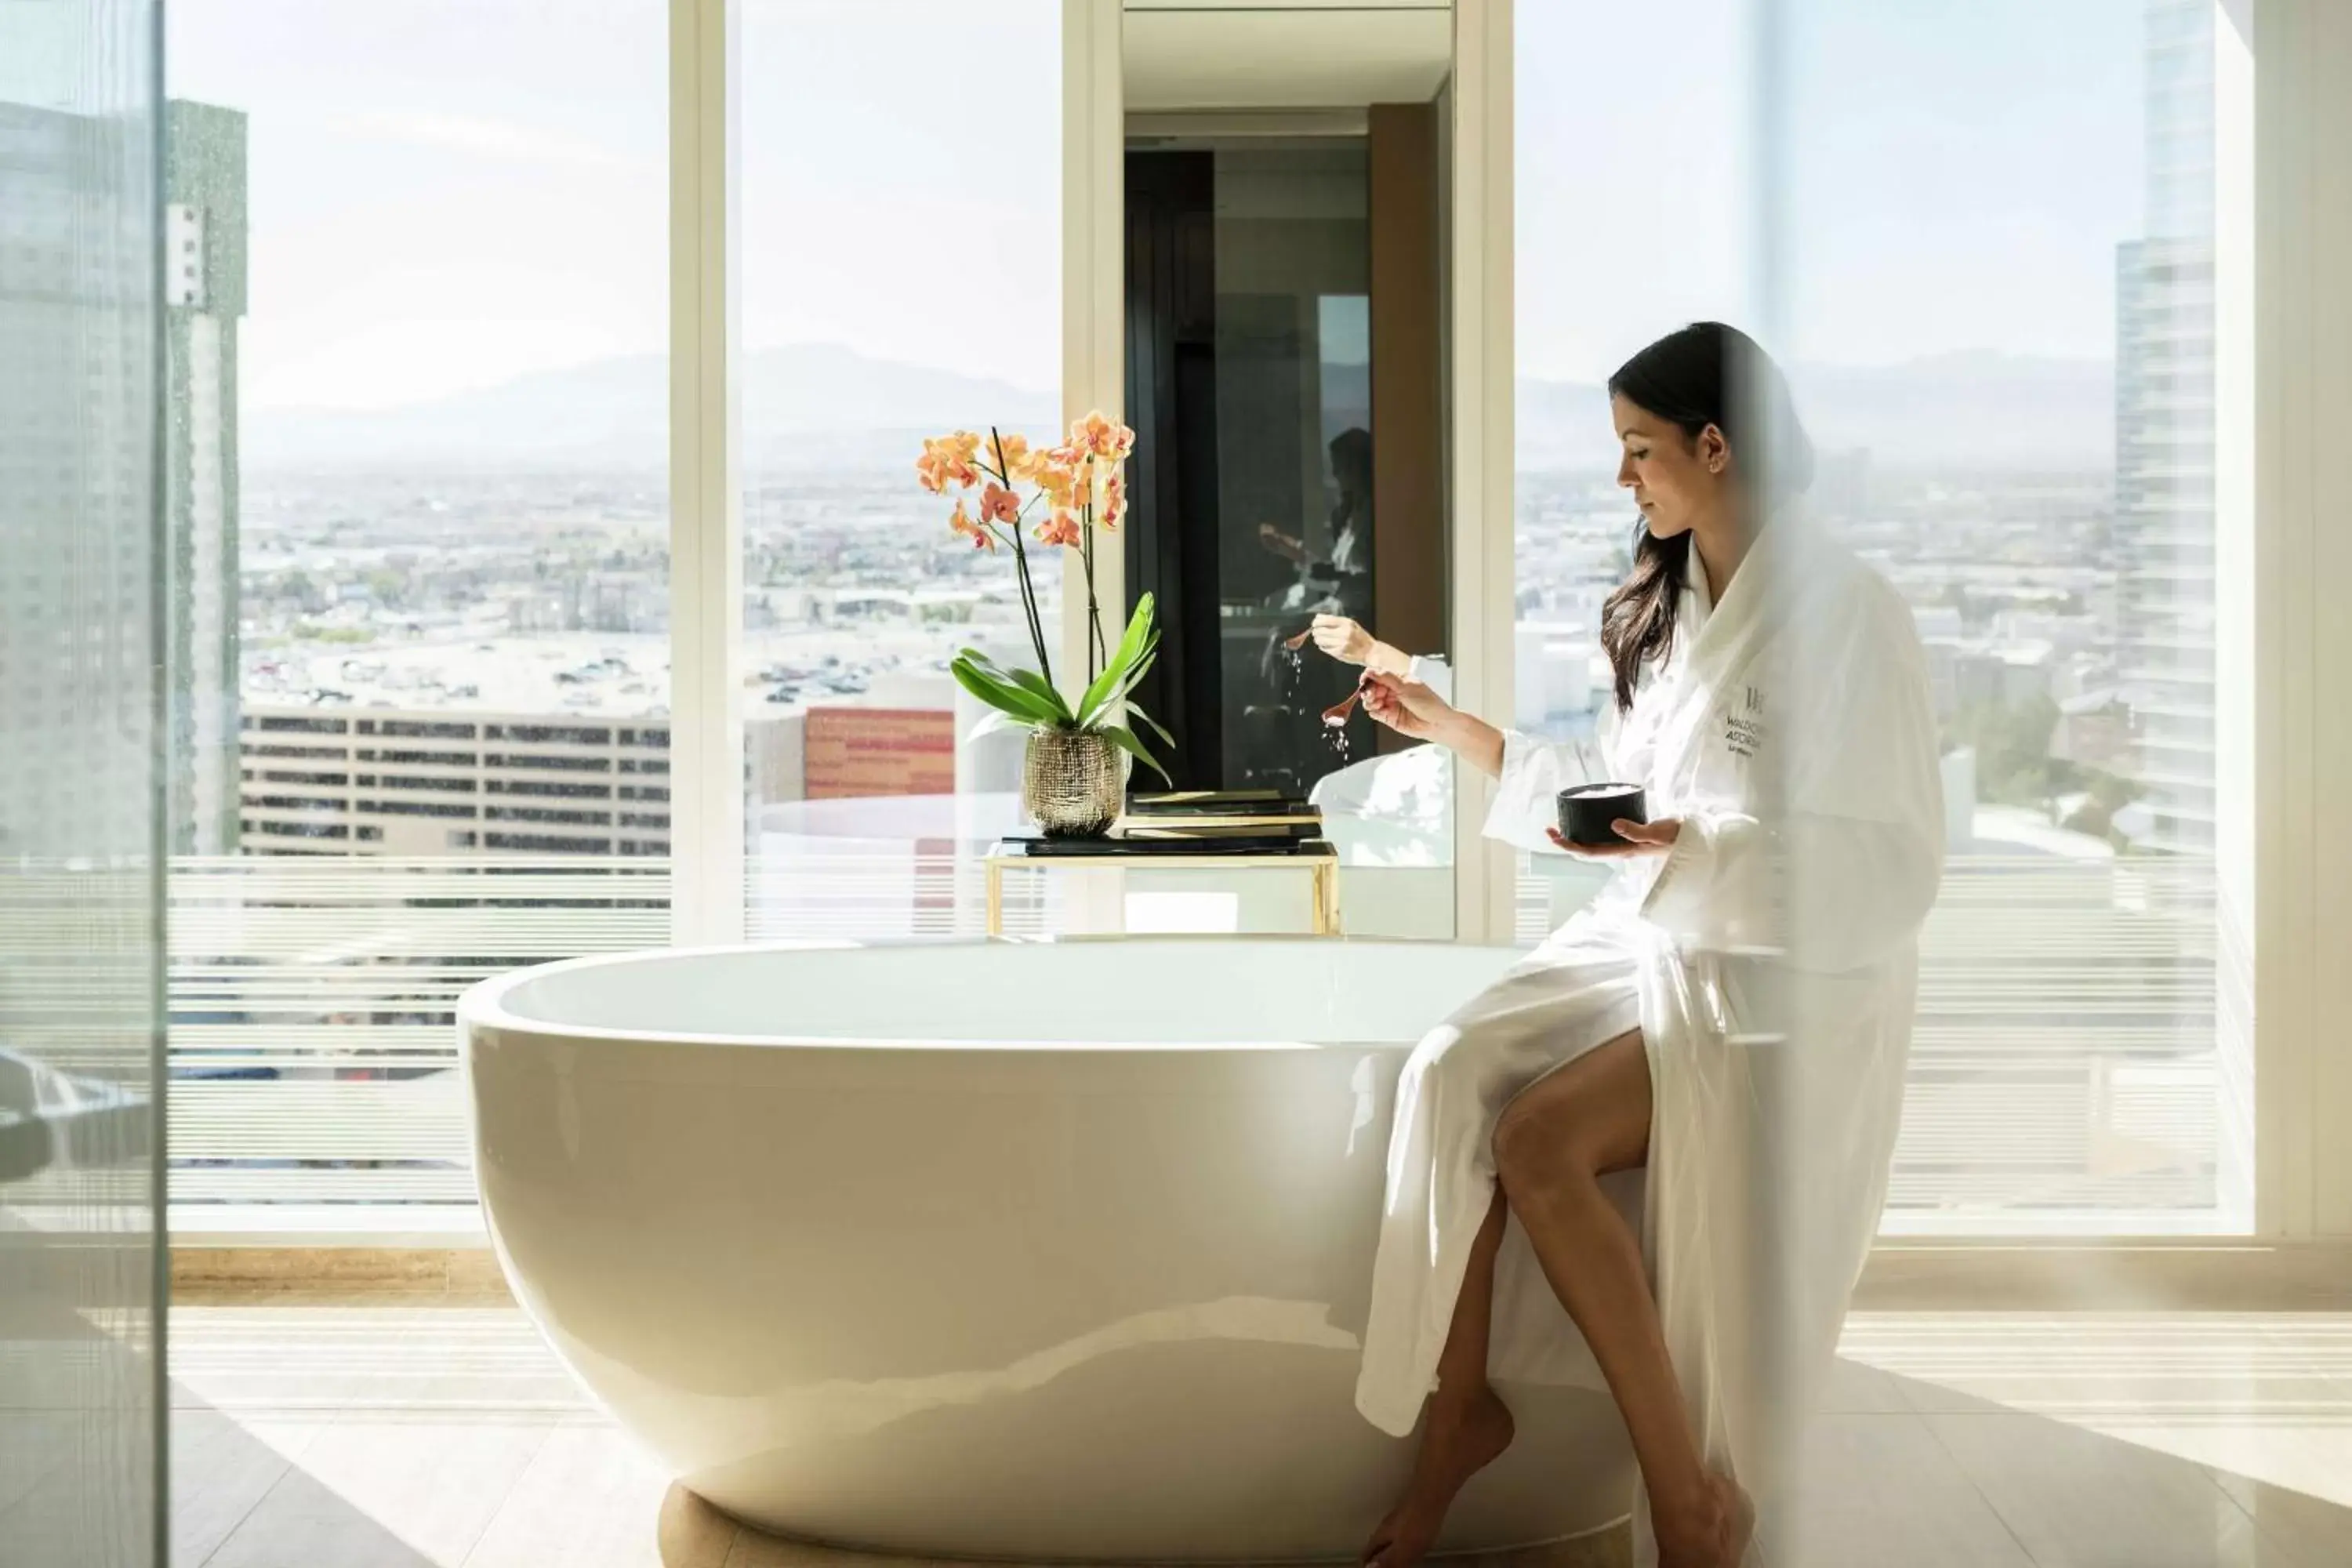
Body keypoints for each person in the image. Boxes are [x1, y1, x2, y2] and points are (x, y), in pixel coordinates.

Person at [1349, 323, 1944, 1568]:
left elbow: (1891, 865)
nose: (1627, 480)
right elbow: (1623, 791)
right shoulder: (1671, 607)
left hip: (1782, 978)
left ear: (1714, 446)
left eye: (1639, 450)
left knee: (1537, 1141)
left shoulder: (1851, 619)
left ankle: (1690, 1500)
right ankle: (1461, 1413)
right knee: (1448, 1067)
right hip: (1646, 929)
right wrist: (1451, 729)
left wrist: (1699, 847)